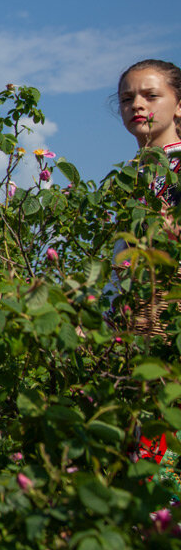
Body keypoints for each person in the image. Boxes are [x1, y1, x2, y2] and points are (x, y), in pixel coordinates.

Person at [116, 59, 181, 497]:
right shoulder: (133, 175)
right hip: (135, 334)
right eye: (127, 98)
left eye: (150, 95)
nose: (137, 105)